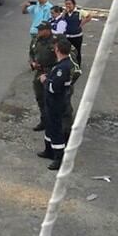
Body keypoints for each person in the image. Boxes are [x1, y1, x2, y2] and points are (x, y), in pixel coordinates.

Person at [37, 38, 75, 170]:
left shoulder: (62, 68)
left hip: (56, 102)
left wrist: (45, 80)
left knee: (56, 130)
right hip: (51, 102)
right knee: (49, 126)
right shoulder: (62, 64)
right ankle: (48, 150)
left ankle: (59, 157)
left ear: (58, 49)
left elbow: (54, 88)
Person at [28, 22, 58, 131]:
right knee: (40, 98)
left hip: (52, 72)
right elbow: (31, 53)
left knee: (53, 99)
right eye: (38, 29)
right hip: (39, 72)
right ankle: (44, 121)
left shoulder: (56, 40)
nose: (39, 31)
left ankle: (58, 124)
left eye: (41, 29)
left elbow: (62, 57)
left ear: (48, 30)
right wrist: (33, 63)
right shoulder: (36, 40)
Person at [63, 0, 92, 66]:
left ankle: (77, 65)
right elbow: (60, 20)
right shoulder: (65, 12)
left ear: (74, 4)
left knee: (77, 51)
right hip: (67, 36)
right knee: (66, 51)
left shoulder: (79, 12)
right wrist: (64, 13)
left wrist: (82, 23)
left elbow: (89, 16)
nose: (68, 6)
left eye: (69, 4)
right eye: (66, 4)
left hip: (77, 36)